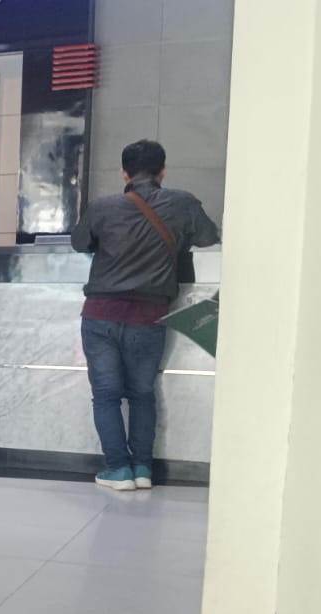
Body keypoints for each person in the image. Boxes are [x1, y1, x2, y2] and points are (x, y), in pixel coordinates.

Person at [72, 140, 220, 491]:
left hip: (101, 315)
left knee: (106, 395)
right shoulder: (183, 202)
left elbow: (79, 243)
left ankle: (118, 470)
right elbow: (209, 236)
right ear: (163, 170)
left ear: (124, 173)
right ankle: (142, 469)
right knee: (142, 393)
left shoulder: (102, 207)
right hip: (149, 316)